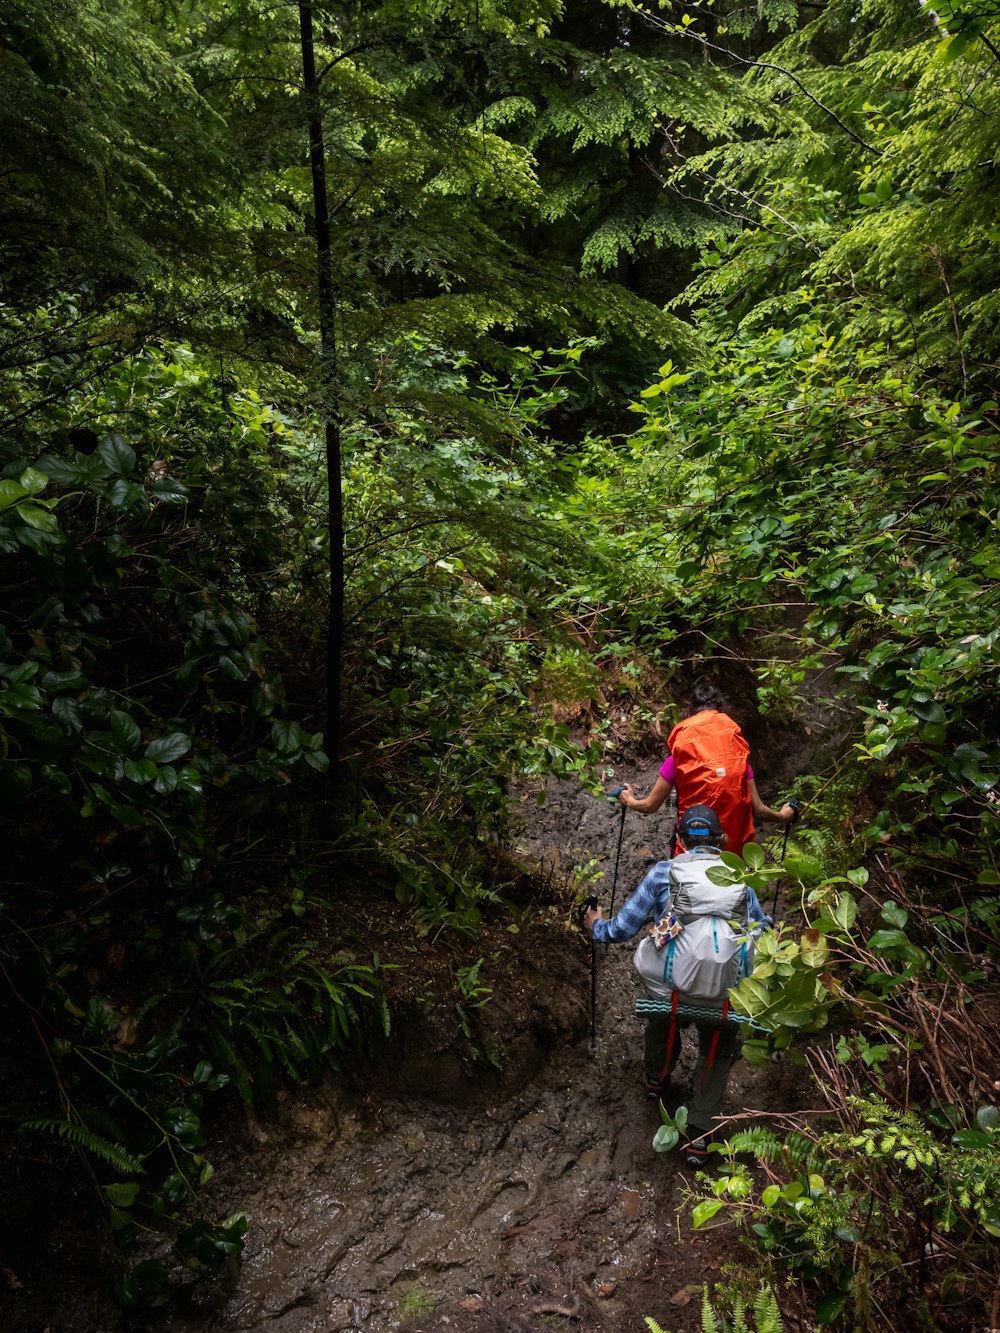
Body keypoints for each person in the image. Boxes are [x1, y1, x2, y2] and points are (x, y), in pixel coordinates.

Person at [583, 804, 770, 1167]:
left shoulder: (663, 874)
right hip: (724, 995)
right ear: (721, 841)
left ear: (681, 840)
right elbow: (763, 936)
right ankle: (700, 1135)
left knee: (663, 1010)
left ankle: (657, 1078)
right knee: (716, 1048)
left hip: (671, 989)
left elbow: (622, 929)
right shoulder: (742, 881)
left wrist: (595, 926)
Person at [617, 682, 795, 854]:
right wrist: (785, 816)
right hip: (732, 858)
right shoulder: (738, 760)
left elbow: (649, 806)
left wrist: (629, 800)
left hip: (690, 853)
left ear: (691, 715)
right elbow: (759, 811)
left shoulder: (679, 758)